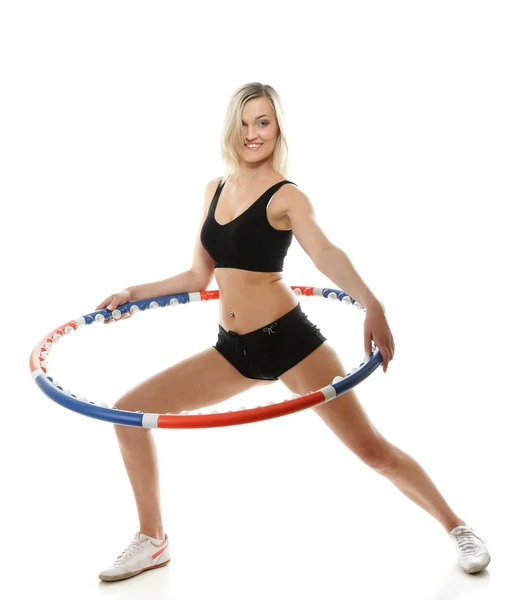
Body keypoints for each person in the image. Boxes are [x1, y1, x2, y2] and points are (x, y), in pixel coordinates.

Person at [96, 82, 490, 582]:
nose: (252, 133)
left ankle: (458, 528)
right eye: (244, 123)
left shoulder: (287, 196)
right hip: (233, 350)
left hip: (289, 341)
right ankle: (153, 540)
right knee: (128, 413)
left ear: (277, 126)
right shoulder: (213, 189)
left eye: (262, 122)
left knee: (371, 449)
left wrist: (373, 303)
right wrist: (134, 292)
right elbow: (198, 278)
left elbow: (325, 253)